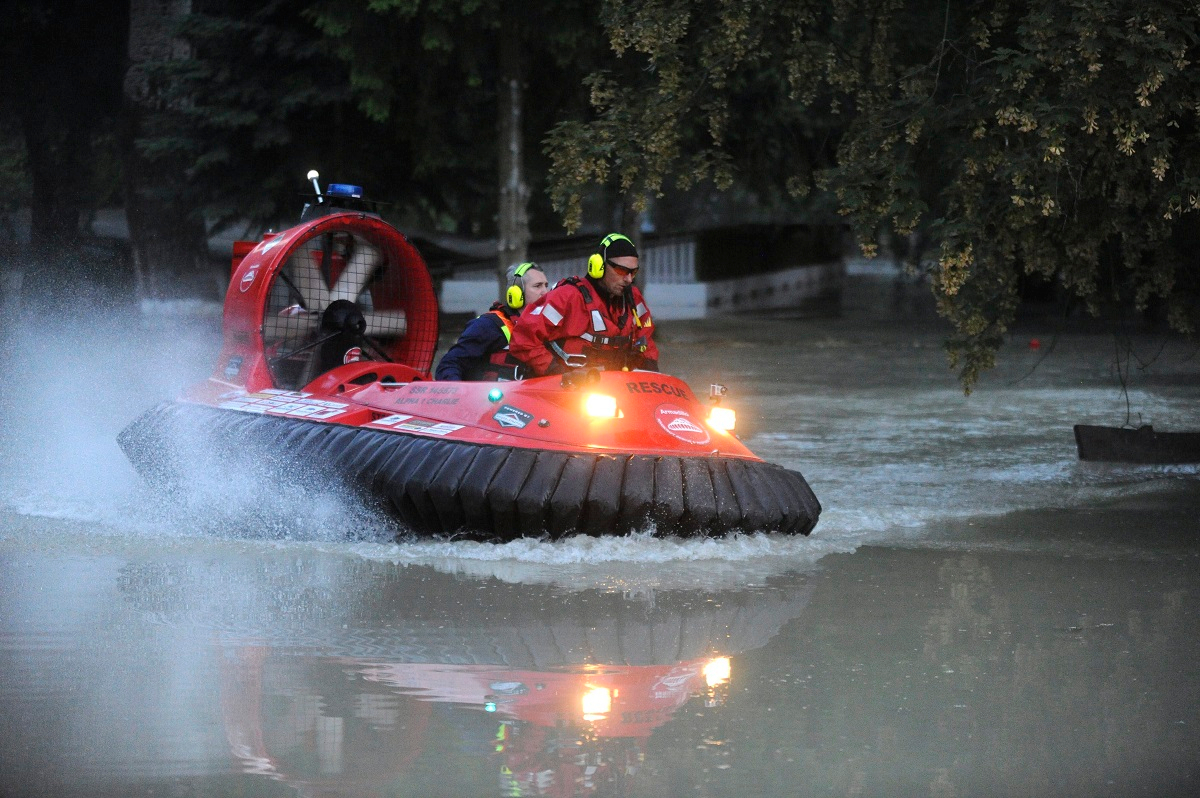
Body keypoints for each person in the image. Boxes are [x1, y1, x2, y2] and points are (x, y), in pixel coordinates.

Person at [509, 233, 658, 376]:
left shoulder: (633, 298)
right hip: (568, 390)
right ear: (599, 266)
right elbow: (524, 339)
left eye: (633, 272)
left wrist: (652, 373)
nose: (628, 279)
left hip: (617, 386)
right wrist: (556, 372)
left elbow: (646, 341)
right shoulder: (568, 296)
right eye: (621, 270)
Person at [434, 262, 550, 380]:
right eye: (537, 286)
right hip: (485, 398)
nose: (545, 292)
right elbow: (449, 365)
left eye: (546, 285)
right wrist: (459, 395)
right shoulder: (488, 325)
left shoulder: (548, 329)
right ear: (516, 292)